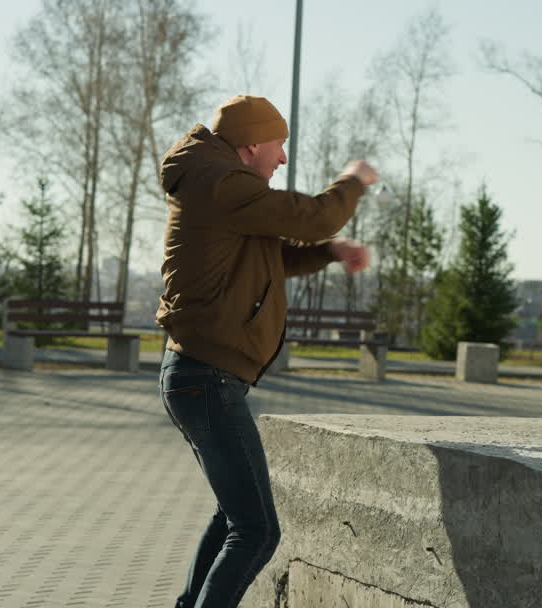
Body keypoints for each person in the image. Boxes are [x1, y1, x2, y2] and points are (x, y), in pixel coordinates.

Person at [155, 94, 377, 607]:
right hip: (206, 378)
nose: (281, 158)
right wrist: (353, 181)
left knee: (234, 517)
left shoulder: (219, 186)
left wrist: (330, 252)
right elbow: (314, 215)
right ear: (252, 145)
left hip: (199, 376)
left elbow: (266, 254)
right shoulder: (222, 182)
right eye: (279, 146)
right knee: (256, 531)